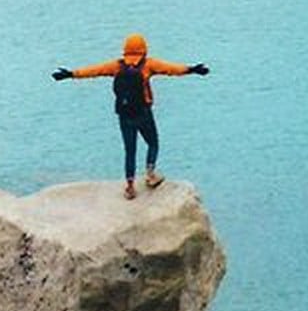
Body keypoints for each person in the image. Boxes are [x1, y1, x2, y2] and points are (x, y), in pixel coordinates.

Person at [52, 33, 210, 198]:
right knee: (153, 143)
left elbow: (94, 70)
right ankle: (150, 174)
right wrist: (192, 69)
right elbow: (171, 69)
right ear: (144, 49)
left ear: (125, 50)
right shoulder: (148, 64)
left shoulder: (117, 66)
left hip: (124, 114)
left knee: (130, 150)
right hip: (143, 112)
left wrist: (70, 74)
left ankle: (130, 186)